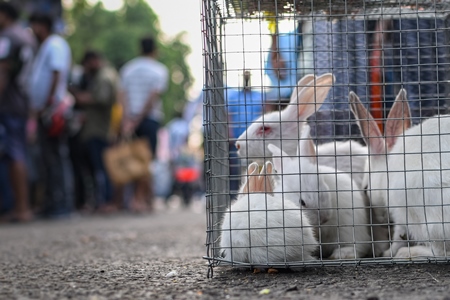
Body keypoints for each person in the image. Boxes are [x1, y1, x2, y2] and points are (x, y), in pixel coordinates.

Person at [27, 13, 73, 218]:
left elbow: (56, 72)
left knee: (55, 157)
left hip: (52, 111)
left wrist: (48, 103)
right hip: (46, 110)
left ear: (41, 25)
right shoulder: (46, 45)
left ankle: (61, 203)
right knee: (47, 158)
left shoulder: (54, 44)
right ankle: (52, 202)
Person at [120, 36, 169, 212]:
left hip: (130, 119)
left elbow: (123, 96)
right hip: (149, 119)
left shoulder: (128, 69)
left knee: (134, 160)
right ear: (154, 50)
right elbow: (152, 97)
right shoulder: (159, 70)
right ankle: (139, 200)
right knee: (146, 160)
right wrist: (139, 118)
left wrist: (128, 120)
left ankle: (143, 198)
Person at [0, 2, 36, 222]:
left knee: (14, 154)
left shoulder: (7, 38)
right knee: (17, 152)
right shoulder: (26, 37)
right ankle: (21, 206)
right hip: (22, 102)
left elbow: (2, 72)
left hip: (9, 104)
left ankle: (21, 208)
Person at [71, 50, 120, 212]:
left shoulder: (105, 76)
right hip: (97, 129)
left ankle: (105, 202)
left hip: (98, 129)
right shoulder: (104, 74)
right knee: (98, 168)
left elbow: (103, 98)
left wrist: (82, 98)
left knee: (101, 168)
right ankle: (102, 201)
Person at [226, 71, 264, 196]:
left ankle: (255, 193)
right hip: (237, 140)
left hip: (254, 140)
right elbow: (229, 116)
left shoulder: (258, 97)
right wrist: (230, 134)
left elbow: (263, 114)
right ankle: (234, 195)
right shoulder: (234, 97)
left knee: (255, 168)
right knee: (235, 170)